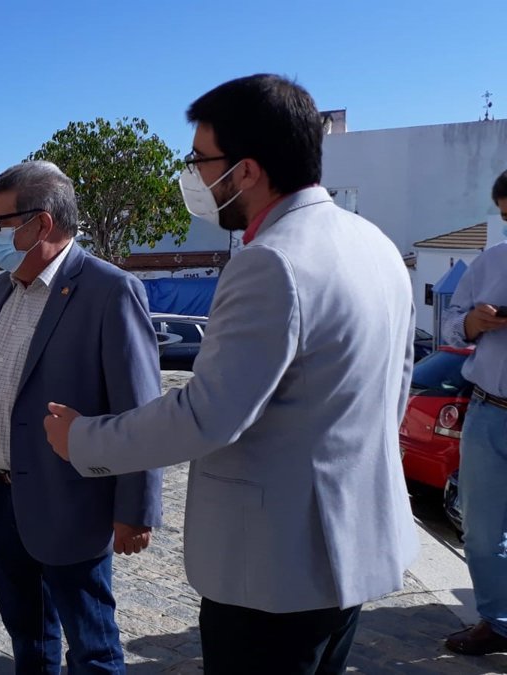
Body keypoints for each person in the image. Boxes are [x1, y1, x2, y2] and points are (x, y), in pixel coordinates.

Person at [44, 74, 418, 675]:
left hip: (273, 571)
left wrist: (82, 439)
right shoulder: (375, 243)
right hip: (354, 550)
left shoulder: (270, 260)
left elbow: (207, 415)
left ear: (245, 171)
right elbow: (394, 392)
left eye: (200, 159)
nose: (193, 174)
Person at [0, 160, 163, 673]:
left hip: (71, 504)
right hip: (2, 497)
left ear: (40, 224)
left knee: (92, 648)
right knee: (29, 638)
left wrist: (136, 509)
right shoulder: (2, 288)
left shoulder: (109, 291)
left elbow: (140, 410)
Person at [438, 170, 507, 656]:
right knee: (481, 529)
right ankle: (498, 622)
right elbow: (449, 321)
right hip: (489, 412)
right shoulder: (489, 262)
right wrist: (471, 323)